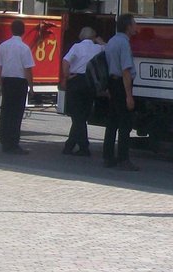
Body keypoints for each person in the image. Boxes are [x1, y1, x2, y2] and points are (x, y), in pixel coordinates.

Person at [59, 26, 104, 156]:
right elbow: (108, 49)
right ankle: (71, 145)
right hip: (90, 82)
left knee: (76, 115)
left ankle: (82, 146)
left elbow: (66, 60)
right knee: (82, 115)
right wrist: (100, 42)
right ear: (93, 37)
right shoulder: (98, 48)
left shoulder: (76, 47)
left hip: (76, 80)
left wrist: (66, 76)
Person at [102, 13, 139, 171]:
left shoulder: (111, 41)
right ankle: (124, 158)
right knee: (125, 123)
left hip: (112, 83)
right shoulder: (124, 44)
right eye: (134, 24)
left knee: (112, 122)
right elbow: (125, 71)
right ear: (128, 26)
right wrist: (129, 96)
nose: (136, 26)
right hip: (121, 85)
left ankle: (108, 156)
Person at [0, 18, 35, 154]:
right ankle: (13, 142)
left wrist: (1, 84)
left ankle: (4, 141)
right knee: (16, 113)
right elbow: (28, 69)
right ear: (23, 31)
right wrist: (31, 86)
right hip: (19, 82)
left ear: (11, 30)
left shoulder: (3, 46)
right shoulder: (25, 48)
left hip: (7, 81)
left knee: (5, 112)